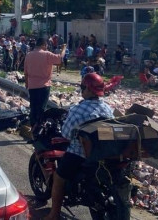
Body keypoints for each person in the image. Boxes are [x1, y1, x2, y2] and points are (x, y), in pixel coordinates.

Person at [43, 73, 114, 220]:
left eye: (82, 87)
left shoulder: (78, 110)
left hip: (79, 154)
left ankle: (54, 214)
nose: (82, 90)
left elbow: (66, 134)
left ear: (88, 89)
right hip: (103, 153)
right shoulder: (107, 108)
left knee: (59, 177)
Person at [24, 36, 66, 128]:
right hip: (44, 86)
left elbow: (25, 72)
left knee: (33, 108)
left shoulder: (29, 55)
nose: (47, 46)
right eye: (46, 45)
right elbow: (60, 59)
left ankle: (32, 127)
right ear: (43, 45)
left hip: (32, 86)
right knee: (41, 108)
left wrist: (27, 84)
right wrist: (63, 49)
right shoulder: (47, 54)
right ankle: (38, 128)